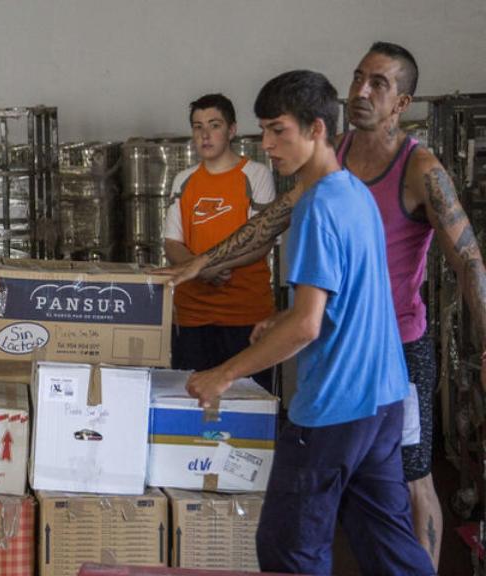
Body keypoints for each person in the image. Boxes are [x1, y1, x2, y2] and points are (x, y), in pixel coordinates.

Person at [168, 42, 475, 568]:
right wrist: (276, 316)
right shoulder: (352, 191)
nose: (266, 144)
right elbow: (350, 299)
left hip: (334, 407)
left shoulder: (320, 206)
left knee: (289, 547)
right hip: (382, 399)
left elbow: (309, 326)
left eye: (278, 130)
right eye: (262, 130)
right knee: (389, 545)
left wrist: (223, 375)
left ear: (316, 129)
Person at [163, 93, 276, 391]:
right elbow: (172, 244)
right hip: (192, 317)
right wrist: (204, 271)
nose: (205, 134)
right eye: (197, 126)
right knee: (193, 404)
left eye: (214, 125)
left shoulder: (256, 174)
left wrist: (211, 265)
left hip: (246, 315)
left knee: (246, 407)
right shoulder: (183, 180)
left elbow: (261, 241)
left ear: (232, 129)